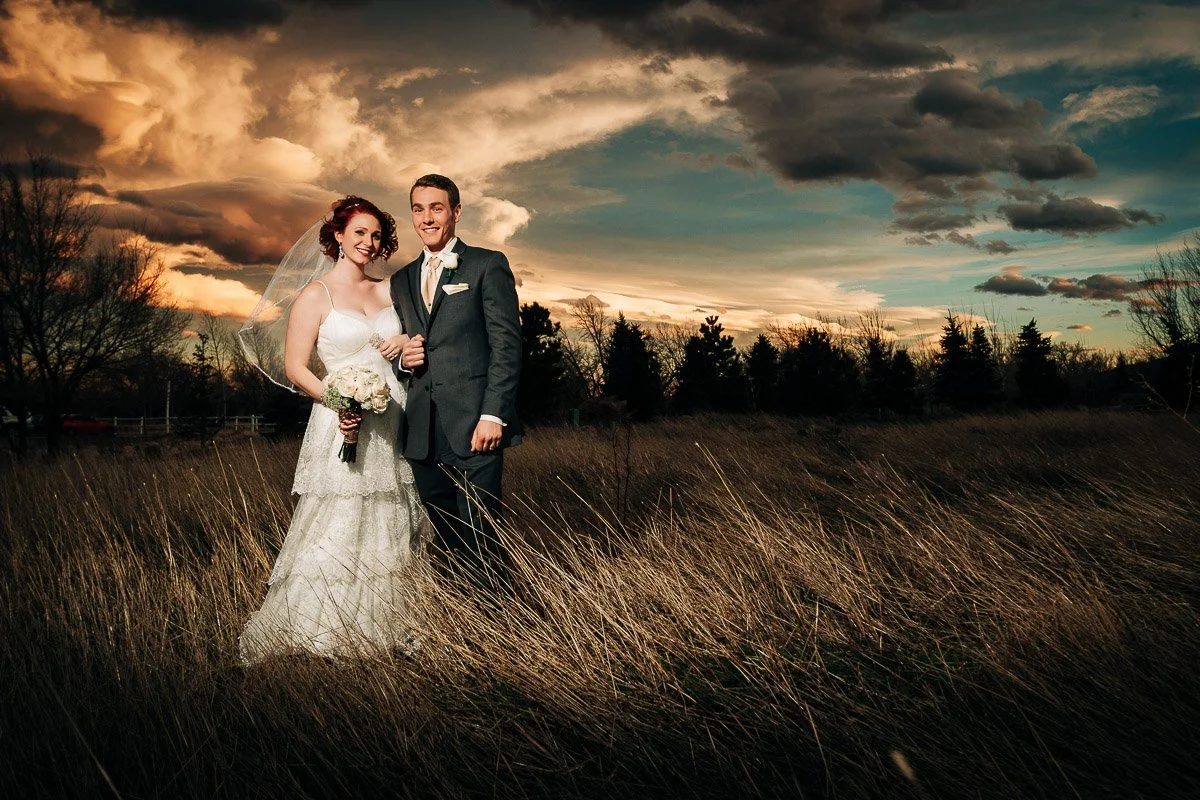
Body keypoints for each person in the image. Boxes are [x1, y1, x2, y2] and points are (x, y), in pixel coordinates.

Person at [238, 196, 426, 663]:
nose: (368, 242)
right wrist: (337, 401)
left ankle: (388, 630)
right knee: (336, 519)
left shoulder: (390, 291)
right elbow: (296, 367)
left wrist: (404, 341)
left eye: (377, 235)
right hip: (340, 417)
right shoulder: (315, 295)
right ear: (338, 236)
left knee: (393, 517)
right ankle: (320, 632)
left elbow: (414, 343)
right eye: (359, 232)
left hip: (393, 416)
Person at [390, 174, 522, 590]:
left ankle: (498, 622)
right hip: (423, 429)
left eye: (436, 207)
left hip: (475, 423)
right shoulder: (401, 279)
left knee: (481, 533)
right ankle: (460, 618)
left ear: (456, 212)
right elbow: (405, 353)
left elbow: (507, 346)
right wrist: (404, 362)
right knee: (445, 537)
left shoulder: (487, 264)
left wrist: (493, 415)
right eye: (418, 208)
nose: (426, 217)